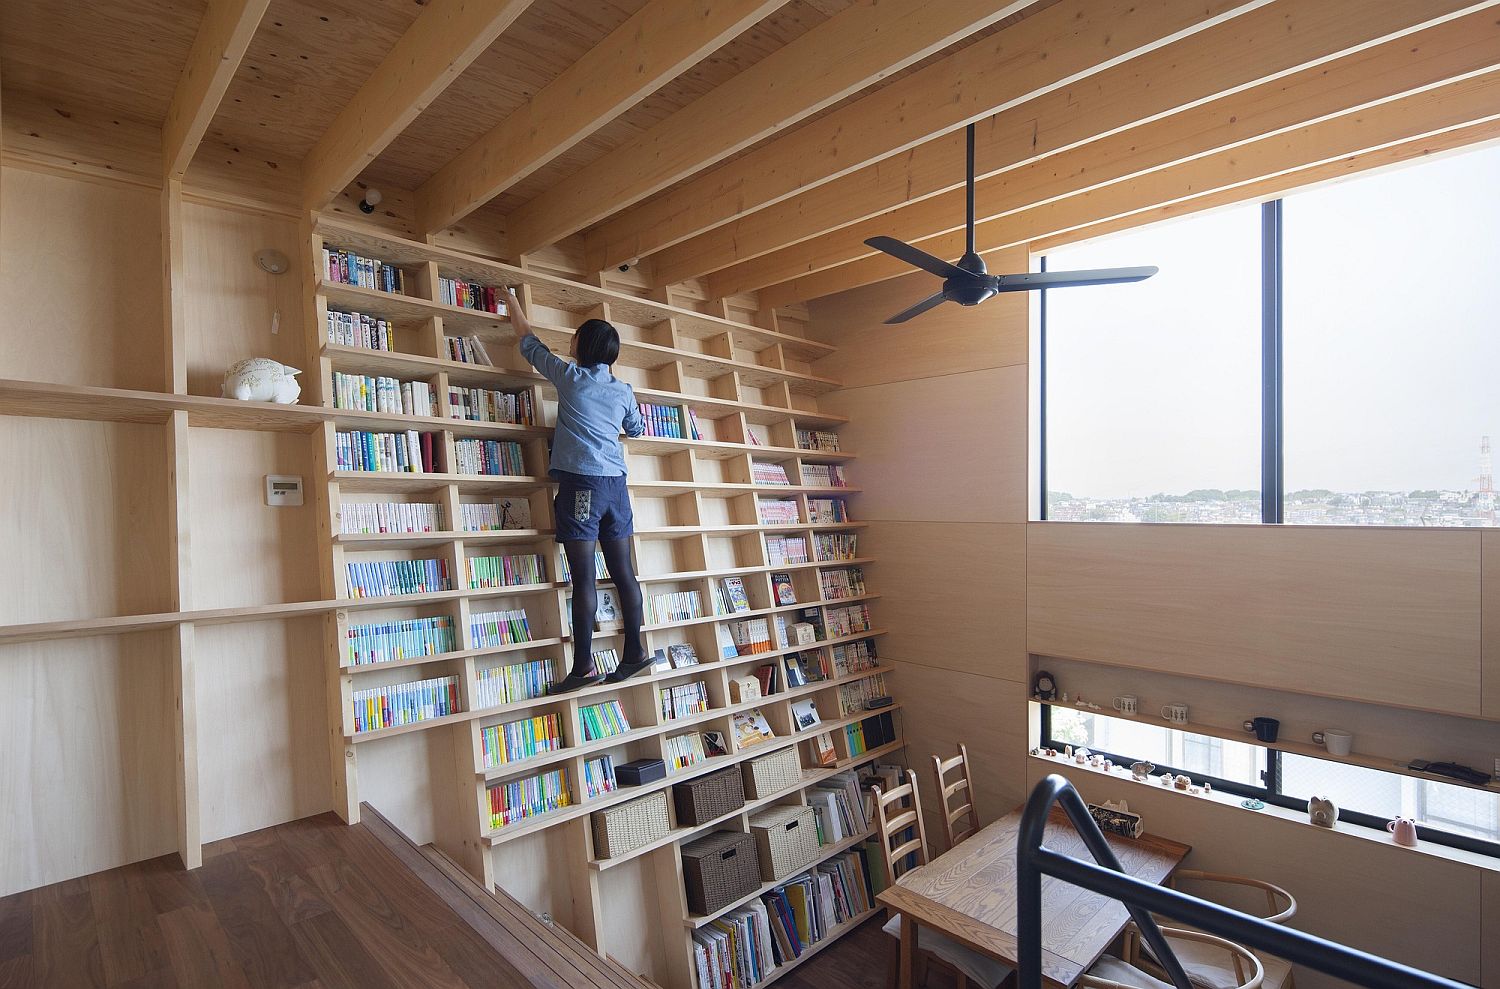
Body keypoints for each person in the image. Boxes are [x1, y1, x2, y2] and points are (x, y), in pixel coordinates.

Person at [507, 287, 651, 694]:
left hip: (582, 486)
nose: (569, 342)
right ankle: (635, 653)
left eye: (574, 337)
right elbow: (636, 430)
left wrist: (513, 302)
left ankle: (584, 667)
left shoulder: (569, 378)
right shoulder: (623, 390)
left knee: (584, 579)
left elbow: (529, 342)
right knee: (624, 572)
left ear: (583, 347)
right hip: (616, 487)